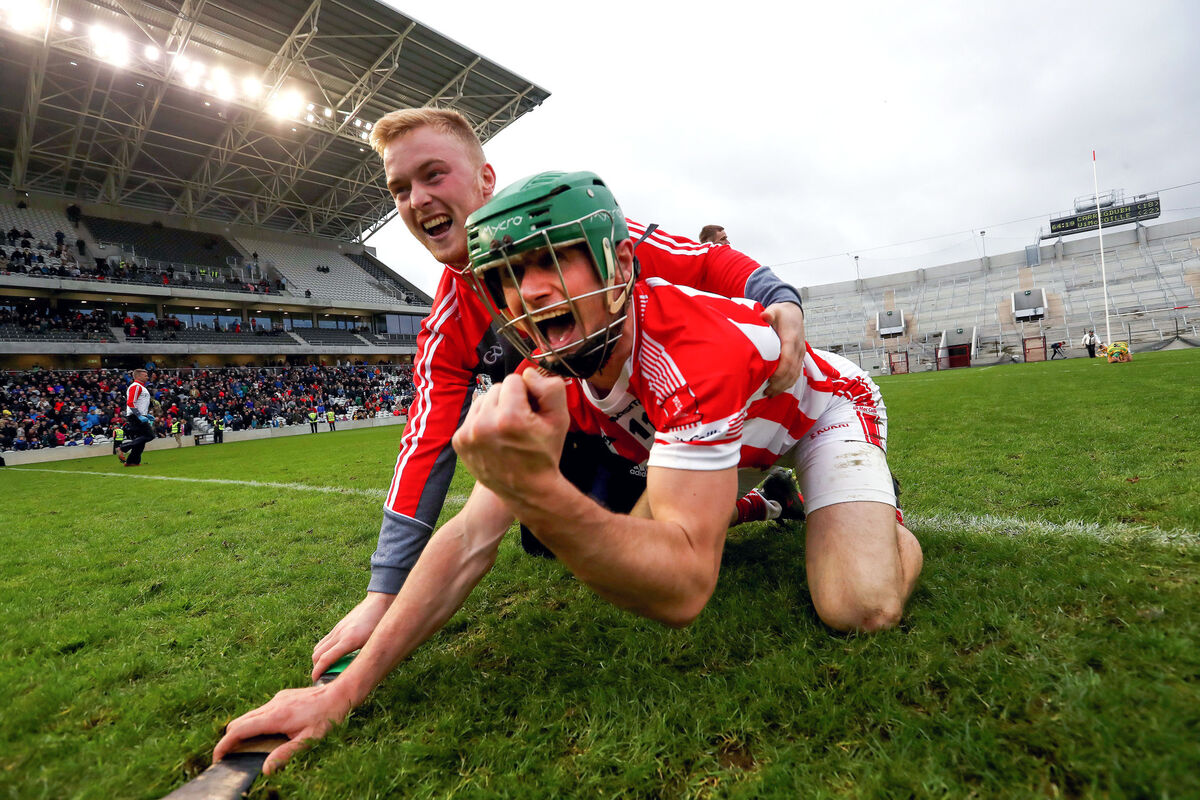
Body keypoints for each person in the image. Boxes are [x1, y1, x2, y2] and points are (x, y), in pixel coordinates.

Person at [213, 173, 915, 774]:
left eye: (551, 261)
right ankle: (769, 502)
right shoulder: (548, 371)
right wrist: (342, 693)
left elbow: (684, 591)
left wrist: (538, 492)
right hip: (731, 434)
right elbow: (469, 539)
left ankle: (882, 521)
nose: (529, 291)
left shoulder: (687, 350)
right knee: (630, 547)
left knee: (858, 608)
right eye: (507, 276)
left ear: (618, 264)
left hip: (819, 412)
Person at [309, 108, 809, 677]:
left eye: (433, 175)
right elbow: (426, 440)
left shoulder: (576, 228)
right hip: (586, 429)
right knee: (552, 539)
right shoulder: (448, 321)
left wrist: (779, 296)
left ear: (485, 180)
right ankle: (760, 502)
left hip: (670, 411)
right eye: (400, 189)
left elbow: (701, 262)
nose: (417, 198)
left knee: (645, 543)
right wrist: (384, 590)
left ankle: (742, 482)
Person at [116, 369, 154, 466]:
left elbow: (139, 403)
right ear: (138, 377)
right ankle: (123, 447)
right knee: (149, 435)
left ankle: (132, 462)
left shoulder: (141, 387)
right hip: (135, 416)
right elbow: (130, 402)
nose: (147, 377)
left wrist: (146, 414)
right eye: (145, 375)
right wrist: (139, 415)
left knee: (140, 440)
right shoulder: (136, 386)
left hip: (137, 415)